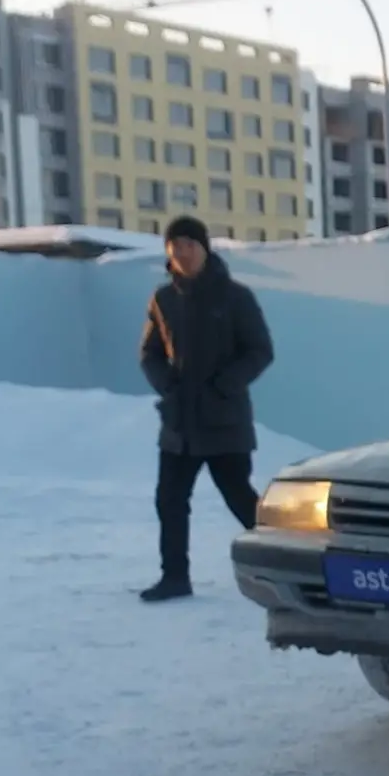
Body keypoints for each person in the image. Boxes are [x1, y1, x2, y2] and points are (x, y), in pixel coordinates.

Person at [137, 215, 275, 602]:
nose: (182, 253)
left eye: (189, 245)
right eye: (175, 246)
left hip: (224, 420)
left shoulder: (235, 297)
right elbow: (149, 354)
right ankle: (174, 577)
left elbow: (260, 351)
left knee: (239, 497)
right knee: (169, 499)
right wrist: (168, 385)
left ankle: (283, 567)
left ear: (204, 249)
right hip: (180, 422)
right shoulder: (163, 299)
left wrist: (224, 386)